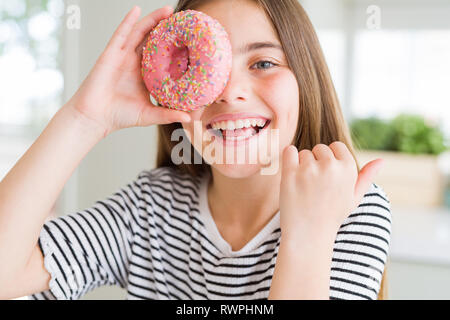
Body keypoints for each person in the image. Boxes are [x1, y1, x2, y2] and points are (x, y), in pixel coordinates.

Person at [0, 0, 391, 300]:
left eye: (263, 63)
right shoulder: (151, 207)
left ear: (306, 78)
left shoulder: (345, 207)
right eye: (196, 65)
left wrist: (309, 234)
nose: (228, 91)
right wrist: (84, 118)